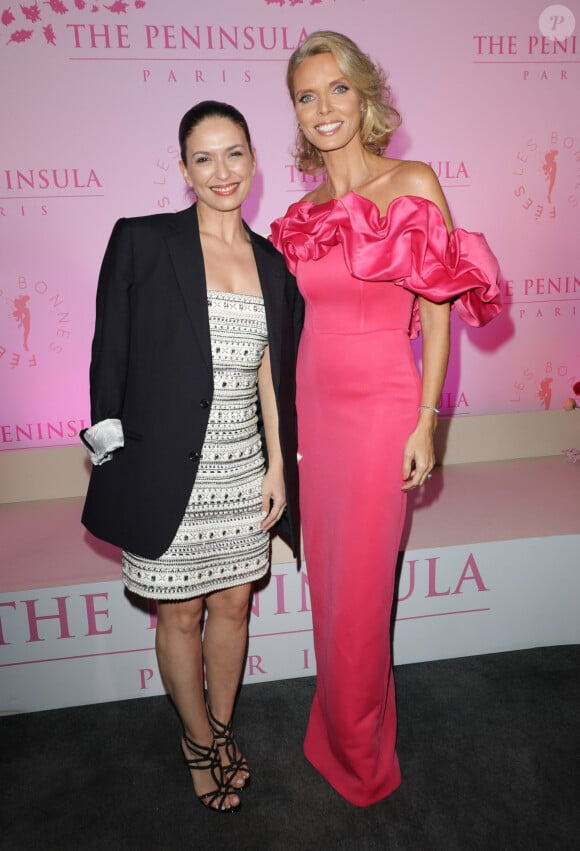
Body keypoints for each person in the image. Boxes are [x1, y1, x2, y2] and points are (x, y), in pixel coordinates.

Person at [270, 31, 502, 807]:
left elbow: (438, 316)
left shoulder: (413, 181)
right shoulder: (300, 213)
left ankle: (362, 758)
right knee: (328, 584)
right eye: (308, 95)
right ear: (297, 114)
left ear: (365, 97)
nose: (325, 108)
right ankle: (330, 728)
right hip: (315, 412)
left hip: (380, 410)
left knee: (365, 591)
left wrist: (426, 420)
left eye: (338, 89)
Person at [81, 100, 303, 813]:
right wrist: (113, 457)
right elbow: (107, 353)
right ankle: (197, 737)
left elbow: (275, 374)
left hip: (242, 467)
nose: (221, 171)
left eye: (234, 153)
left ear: (254, 159)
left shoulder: (273, 261)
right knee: (177, 615)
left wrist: (277, 466)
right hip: (164, 469)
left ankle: (222, 727)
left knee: (234, 603)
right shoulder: (143, 241)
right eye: (203, 158)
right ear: (184, 170)